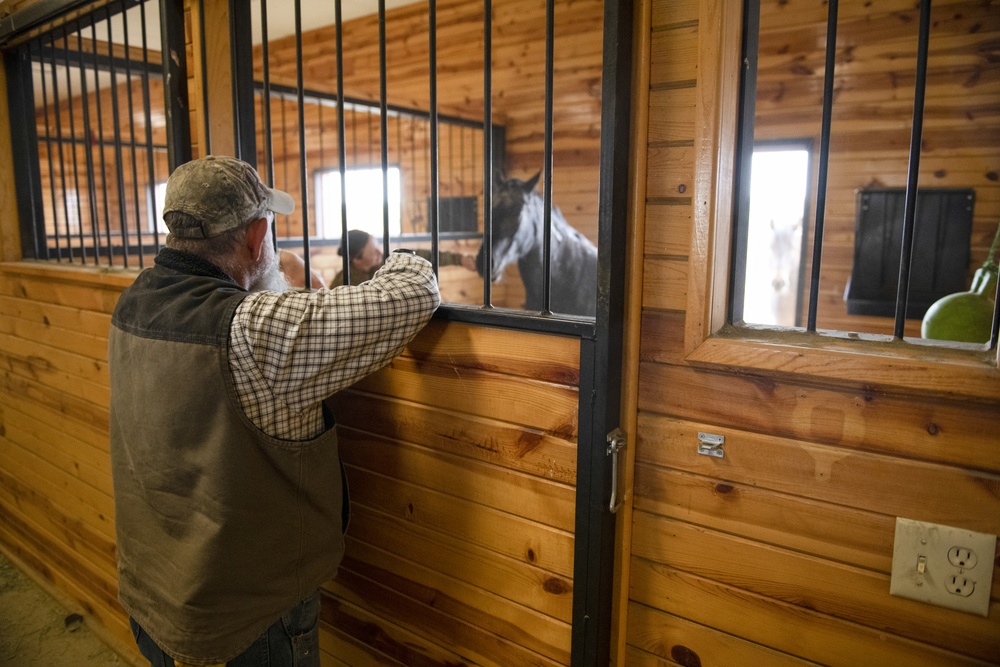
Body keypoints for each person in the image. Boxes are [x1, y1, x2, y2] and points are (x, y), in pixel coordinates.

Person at [108, 155, 440, 667]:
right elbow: (414, 293)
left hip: (153, 590)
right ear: (257, 235)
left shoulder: (133, 303)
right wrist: (396, 257)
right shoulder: (254, 330)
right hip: (248, 619)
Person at [331, 228, 477, 286]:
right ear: (357, 259)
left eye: (378, 247)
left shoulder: (389, 261)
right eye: (374, 252)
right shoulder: (342, 284)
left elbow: (422, 256)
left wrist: (459, 260)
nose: (380, 253)